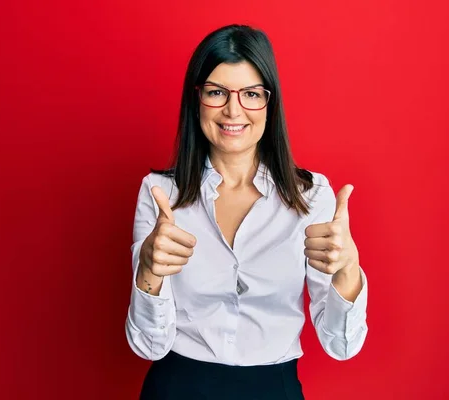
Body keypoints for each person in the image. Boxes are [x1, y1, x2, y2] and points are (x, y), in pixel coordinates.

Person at [125, 24, 368, 400]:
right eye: (217, 92)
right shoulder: (159, 193)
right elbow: (148, 346)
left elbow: (342, 345)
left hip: (274, 388)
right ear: (197, 99)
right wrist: (148, 271)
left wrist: (348, 269)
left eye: (251, 94)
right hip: (177, 387)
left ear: (269, 103)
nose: (233, 110)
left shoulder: (312, 196)